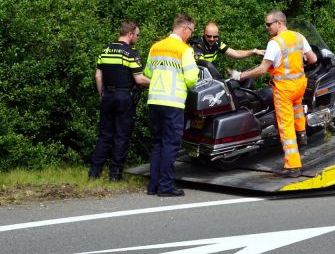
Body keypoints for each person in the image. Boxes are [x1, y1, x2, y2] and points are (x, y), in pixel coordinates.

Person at [229, 10, 317, 177]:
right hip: (300, 84)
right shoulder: (299, 37)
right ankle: (302, 134)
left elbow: (262, 70)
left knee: (285, 126)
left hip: (284, 88)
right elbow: (313, 59)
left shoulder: (275, 43)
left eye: (269, 24)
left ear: (279, 23)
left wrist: (240, 75)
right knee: (297, 109)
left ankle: (293, 166)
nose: (267, 27)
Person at [143, 14, 200, 197]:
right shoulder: (184, 50)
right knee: (170, 144)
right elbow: (191, 79)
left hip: (154, 101)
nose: (190, 35)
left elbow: (147, 72)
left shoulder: (156, 47)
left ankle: (153, 186)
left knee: (158, 143)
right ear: (185, 29)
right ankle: (166, 186)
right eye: (191, 31)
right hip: (173, 102)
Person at [89, 20, 150, 182]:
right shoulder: (130, 52)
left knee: (104, 136)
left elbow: (97, 75)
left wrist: (102, 94)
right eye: (137, 35)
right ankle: (115, 175)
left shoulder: (106, 50)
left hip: (107, 96)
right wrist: (158, 83)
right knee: (121, 136)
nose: (137, 38)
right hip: (124, 97)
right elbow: (139, 79)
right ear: (130, 34)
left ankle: (94, 173)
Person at [190, 22, 265, 64]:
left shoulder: (217, 43)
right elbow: (203, 64)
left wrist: (254, 52)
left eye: (215, 36)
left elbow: (236, 54)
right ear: (204, 34)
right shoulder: (197, 45)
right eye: (209, 36)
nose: (212, 39)